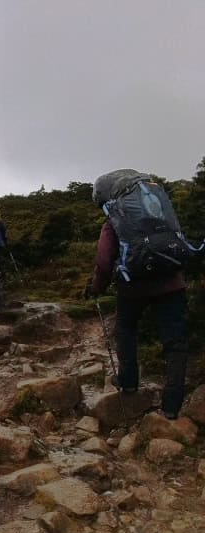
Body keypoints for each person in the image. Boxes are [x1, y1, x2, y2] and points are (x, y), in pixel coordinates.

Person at [84, 170, 189, 420]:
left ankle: (128, 381)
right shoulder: (160, 212)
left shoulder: (115, 220)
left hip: (134, 288)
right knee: (175, 343)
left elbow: (104, 261)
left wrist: (96, 287)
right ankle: (172, 406)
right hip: (172, 283)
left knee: (126, 330)